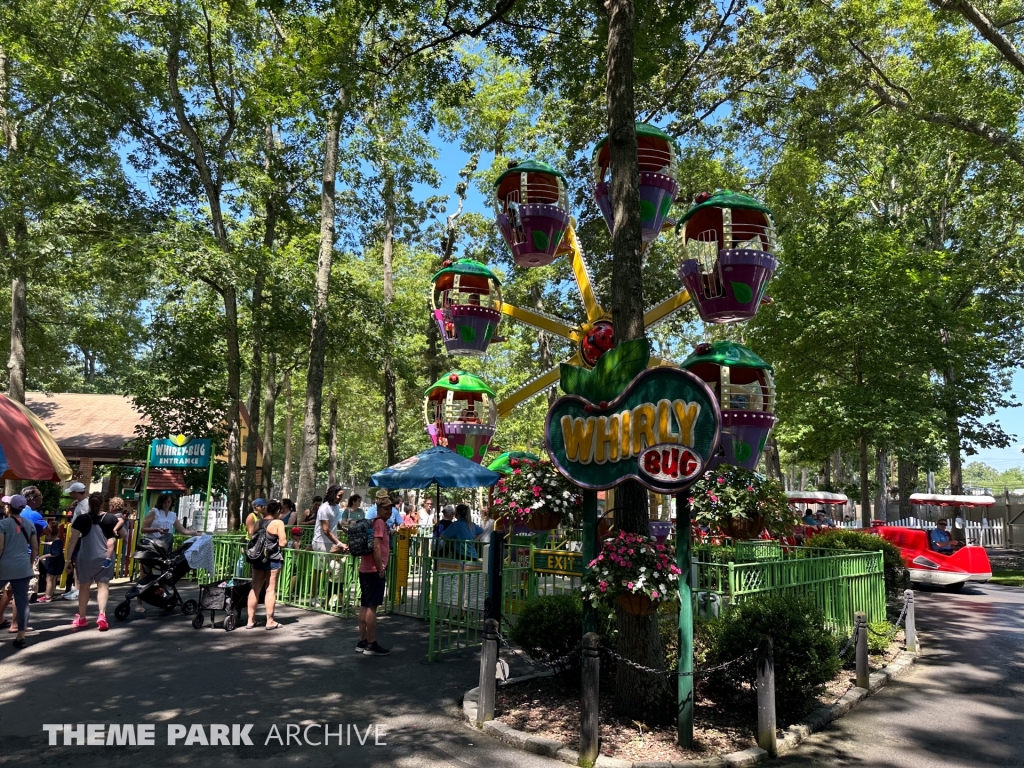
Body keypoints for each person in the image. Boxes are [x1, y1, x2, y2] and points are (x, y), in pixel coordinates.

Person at [64, 492, 126, 631]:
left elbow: (72, 540)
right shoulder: (111, 518)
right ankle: (102, 615)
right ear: (103, 503)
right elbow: (124, 535)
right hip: (105, 557)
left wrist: (67, 560)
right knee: (103, 586)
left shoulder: (81, 519)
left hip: (85, 557)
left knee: (84, 587)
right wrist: (115, 534)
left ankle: (82, 618)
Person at [136, 493, 198, 612]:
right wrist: (157, 529)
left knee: (164, 574)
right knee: (144, 575)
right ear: (161, 502)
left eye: (169, 502)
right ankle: (139, 603)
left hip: (163, 549)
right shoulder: (154, 512)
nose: (167, 504)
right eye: (165, 502)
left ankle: (164, 600)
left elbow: (183, 530)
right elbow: (143, 528)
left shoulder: (172, 515)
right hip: (150, 546)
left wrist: (195, 533)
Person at [357, 491, 391, 656]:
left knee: (365, 605)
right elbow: (376, 547)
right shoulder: (379, 523)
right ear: (379, 508)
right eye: (386, 509)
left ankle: (362, 641)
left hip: (365, 569)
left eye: (390, 509)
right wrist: (380, 568)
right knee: (371, 607)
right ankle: (371, 643)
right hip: (373, 571)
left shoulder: (373, 522)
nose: (389, 512)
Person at [0, 497, 38, 648]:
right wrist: (29, 564)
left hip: (4, 566)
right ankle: (21, 635)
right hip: (23, 567)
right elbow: (34, 548)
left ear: (8, 508)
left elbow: (0, 547)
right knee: (22, 601)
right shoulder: (30, 525)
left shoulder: (2, 524)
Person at [246, 499, 287, 630]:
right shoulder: (278, 523)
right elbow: (283, 542)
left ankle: (250, 620)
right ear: (278, 511)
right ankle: (270, 621)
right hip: (273, 559)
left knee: (255, 589)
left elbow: (252, 535)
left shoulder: (259, 522)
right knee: (270, 589)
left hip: (257, 559)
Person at [35, 526, 65, 603]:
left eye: (47, 535)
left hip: (54, 564)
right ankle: (50, 594)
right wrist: (45, 543)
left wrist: (43, 556)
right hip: (58, 563)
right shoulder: (58, 541)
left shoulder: (56, 543)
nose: (46, 537)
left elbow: (55, 553)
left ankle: (47, 596)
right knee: (53, 579)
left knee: (49, 579)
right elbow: (52, 543)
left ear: (50, 535)